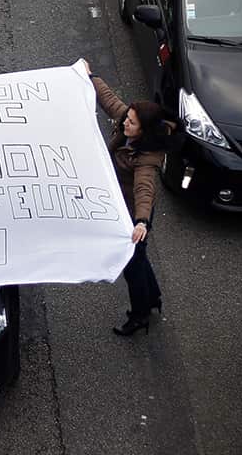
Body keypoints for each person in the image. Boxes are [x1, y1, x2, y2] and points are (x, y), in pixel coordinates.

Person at [84, 61, 180, 336]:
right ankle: (153, 298)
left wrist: (141, 222)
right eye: (127, 118)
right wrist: (90, 75)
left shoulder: (147, 158)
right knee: (139, 258)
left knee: (132, 264)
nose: (125, 121)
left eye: (131, 122)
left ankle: (139, 315)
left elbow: (144, 190)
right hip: (127, 209)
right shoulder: (129, 120)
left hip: (133, 214)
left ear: (143, 131)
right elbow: (109, 99)